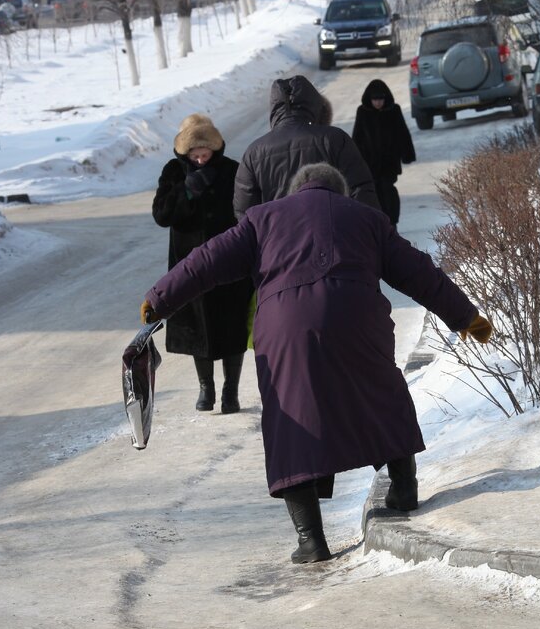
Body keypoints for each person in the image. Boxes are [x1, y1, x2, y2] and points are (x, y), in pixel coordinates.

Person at [142, 163, 493, 564]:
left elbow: (205, 261)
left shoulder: (262, 219)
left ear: (295, 191)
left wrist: (160, 299)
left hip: (286, 329)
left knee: (291, 417)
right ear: (339, 191)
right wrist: (466, 317)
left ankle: (311, 539)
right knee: (380, 394)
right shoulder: (366, 218)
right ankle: (403, 488)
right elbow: (419, 273)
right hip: (358, 318)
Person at [151, 113, 254, 414]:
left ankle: (230, 392)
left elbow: (247, 210)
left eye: (205, 154)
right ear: (184, 152)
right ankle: (206, 388)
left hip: (230, 262)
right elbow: (161, 215)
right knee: (199, 328)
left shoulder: (232, 170)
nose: (200, 160)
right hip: (189, 265)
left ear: (215, 149)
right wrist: (186, 192)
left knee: (232, 325)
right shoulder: (173, 172)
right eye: (194, 155)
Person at [232, 75, 380, 218]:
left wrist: (265, 238)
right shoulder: (334, 139)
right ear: (315, 104)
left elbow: (245, 211)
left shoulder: (254, 152)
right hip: (332, 235)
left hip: (279, 240)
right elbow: (361, 191)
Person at [351, 79, 416, 226]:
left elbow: (402, 133)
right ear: (370, 99)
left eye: (381, 99)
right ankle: (380, 223)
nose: (378, 103)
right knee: (374, 192)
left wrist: (407, 154)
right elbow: (357, 136)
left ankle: (392, 221)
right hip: (370, 162)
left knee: (388, 190)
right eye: (375, 99)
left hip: (389, 161)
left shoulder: (394, 110)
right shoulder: (363, 112)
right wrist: (354, 159)